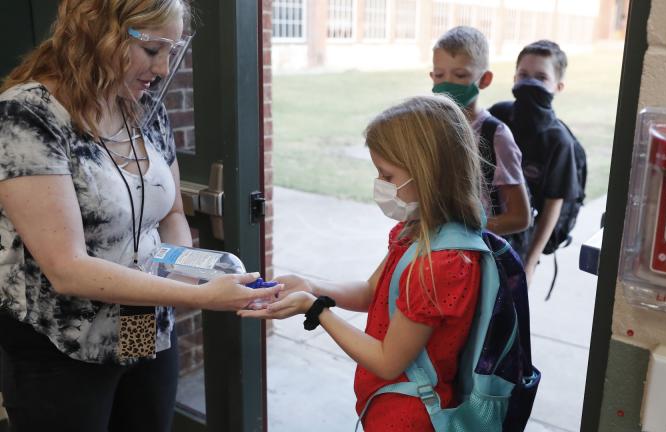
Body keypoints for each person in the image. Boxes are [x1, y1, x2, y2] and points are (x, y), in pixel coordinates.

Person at [0, 1, 277, 431]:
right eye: (152, 50)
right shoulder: (27, 116)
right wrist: (201, 297)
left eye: (172, 50)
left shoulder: (144, 109)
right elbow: (66, 269)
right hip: (61, 345)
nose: (164, 69)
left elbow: (171, 214)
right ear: (99, 32)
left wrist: (186, 269)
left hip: (142, 326)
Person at [239, 95, 485, 432]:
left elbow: (387, 361)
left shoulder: (441, 263)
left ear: (428, 173)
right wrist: (313, 287)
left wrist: (316, 309)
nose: (380, 185)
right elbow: (372, 292)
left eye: (387, 174)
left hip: (408, 418)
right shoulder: (417, 231)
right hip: (385, 404)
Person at [489, 40, 580, 282]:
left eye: (541, 77)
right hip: (484, 227)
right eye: (523, 75)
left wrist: (529, 263)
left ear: (558, 86)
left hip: (519, 242)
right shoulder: (497, 116)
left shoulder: (558, 141)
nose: (530, 83)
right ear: (514, 79)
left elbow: (553, 207)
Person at [430, 26, 531, 238]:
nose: (447, 83)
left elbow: (520, 218)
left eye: (459, 75)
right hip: (439, 248)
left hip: (479, 252)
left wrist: (463, 231)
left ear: (484, 79)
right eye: (440, 75)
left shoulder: (496, 136)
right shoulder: (430, 128)